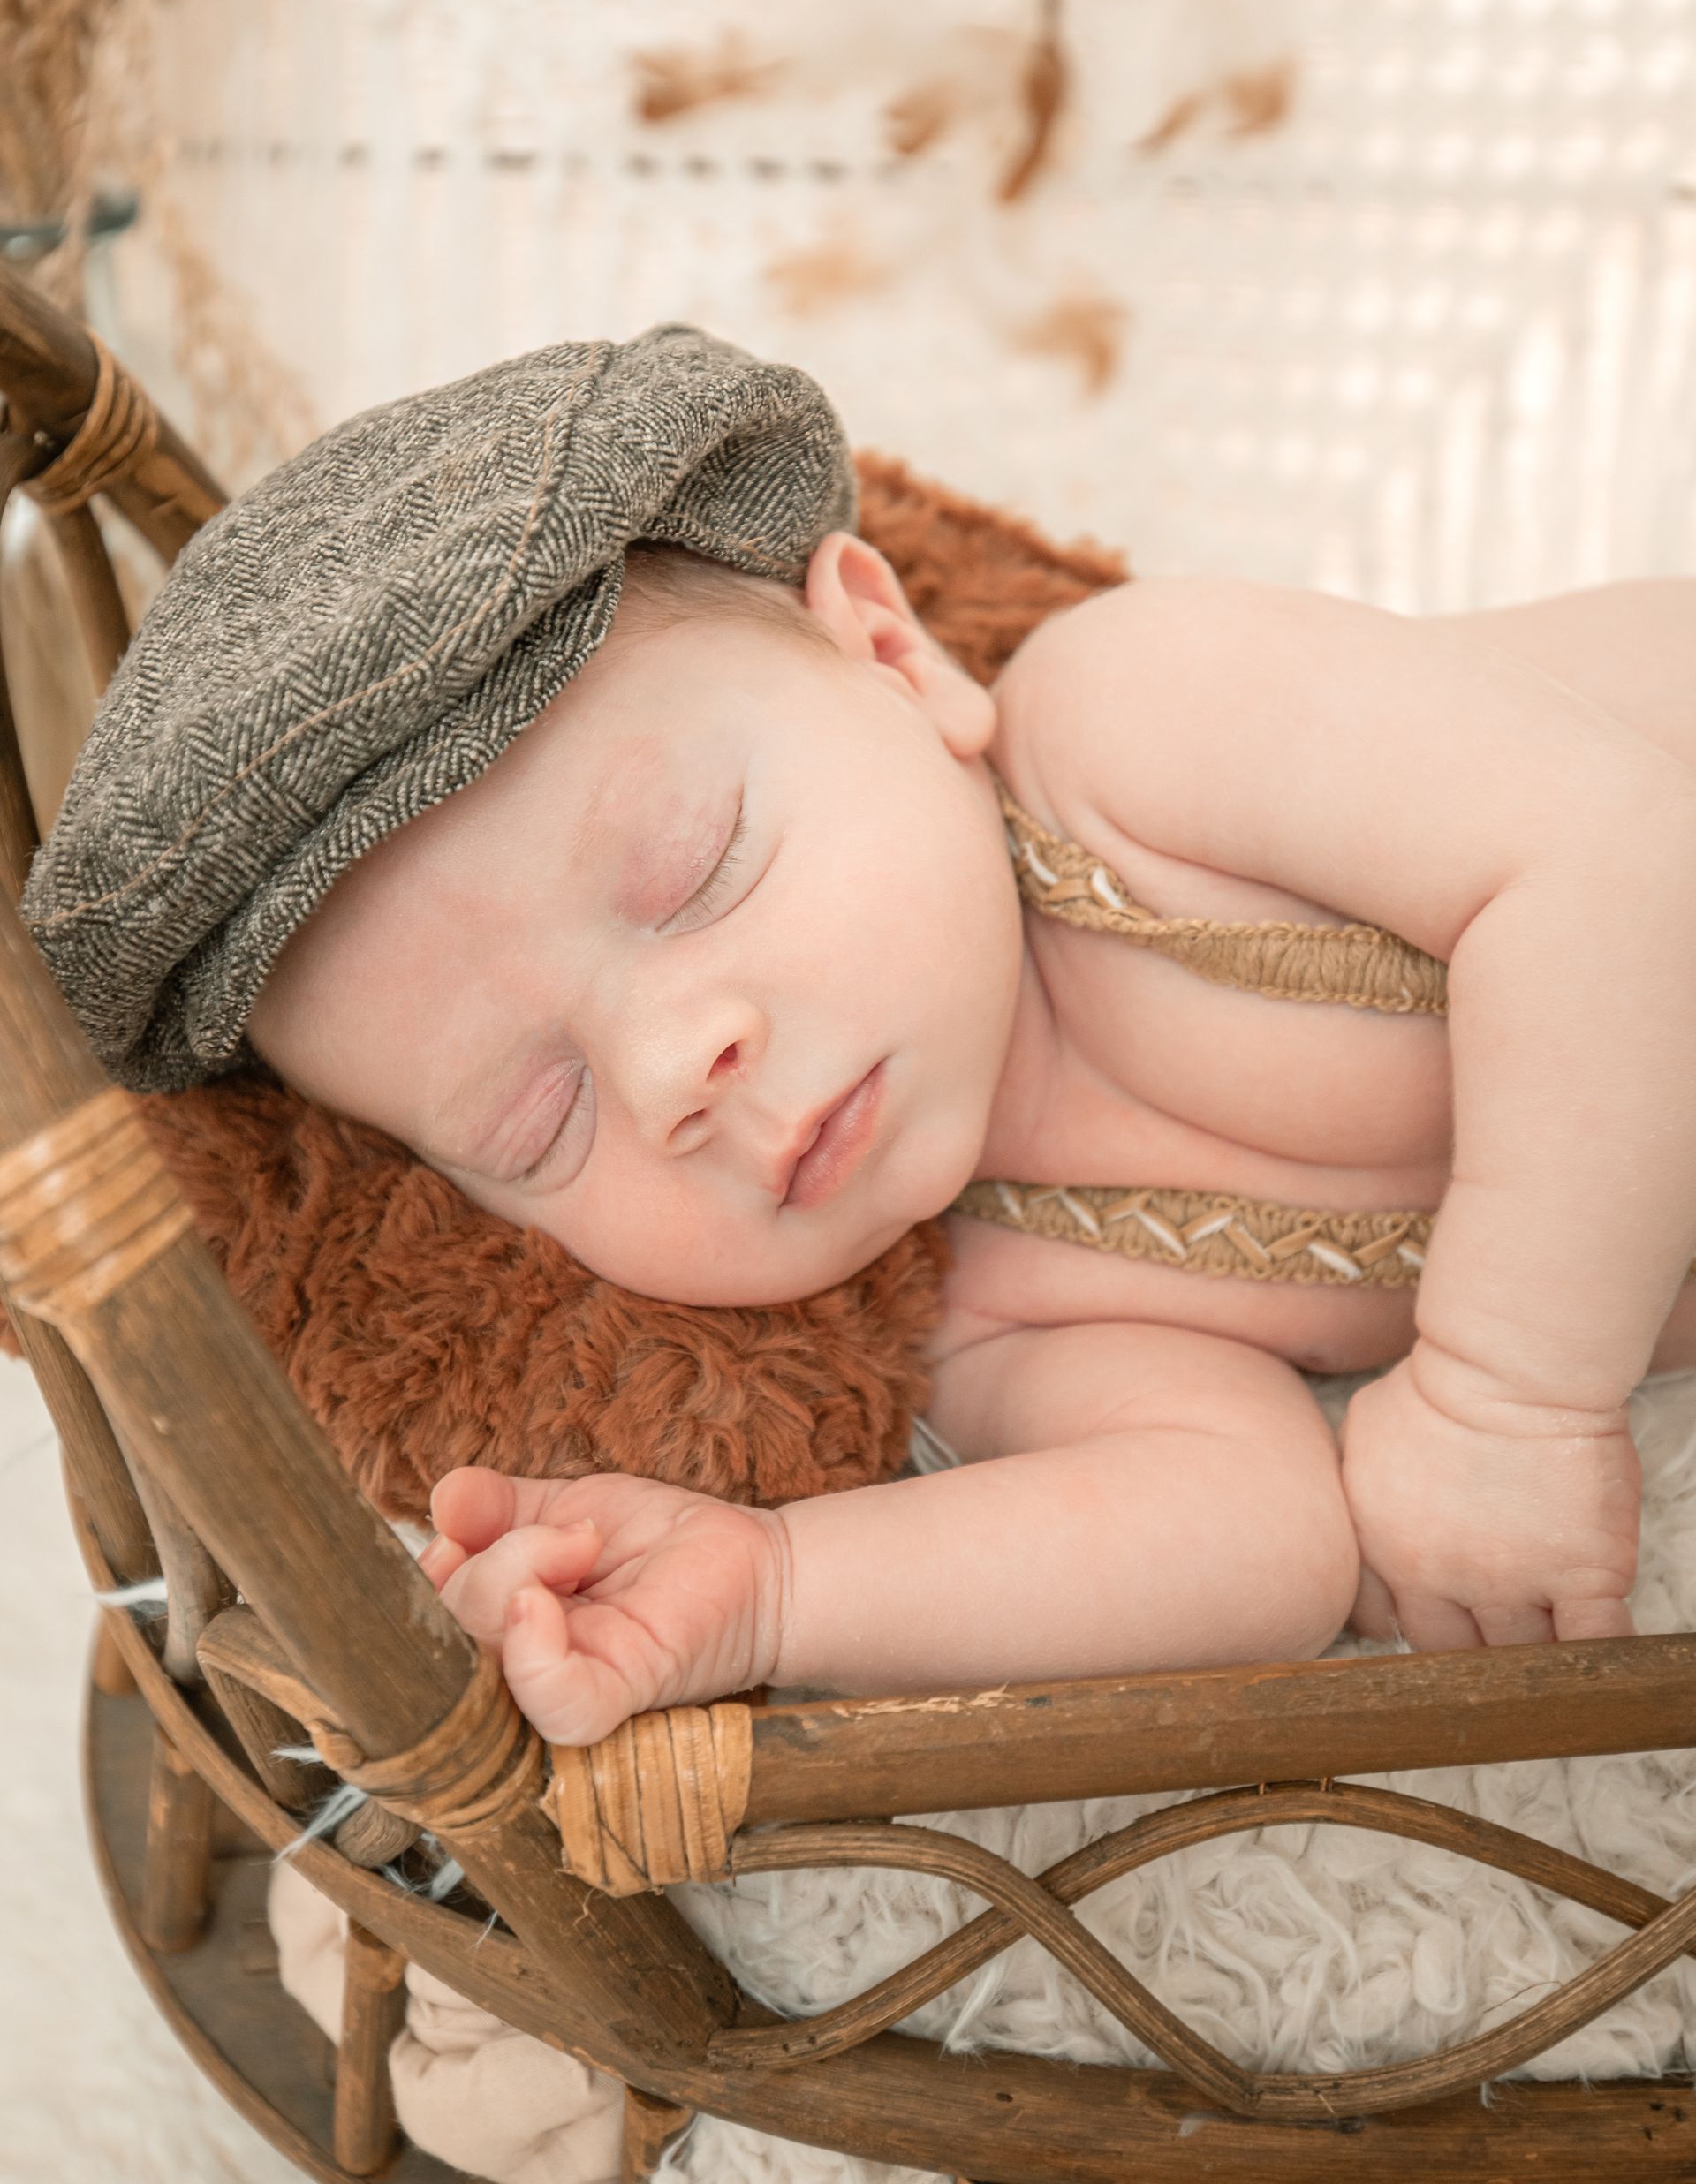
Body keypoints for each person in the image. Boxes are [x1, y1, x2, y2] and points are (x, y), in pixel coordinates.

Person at [27, 327, 1696, 1749]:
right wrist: (774, 1588)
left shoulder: (1139, 734)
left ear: (893, 658)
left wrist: (1505, 1398)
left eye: (695, 878)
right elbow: (1256, 1532)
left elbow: (1621, 863)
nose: (681, 1067)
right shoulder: (978, 1284)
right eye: (542, 1122)